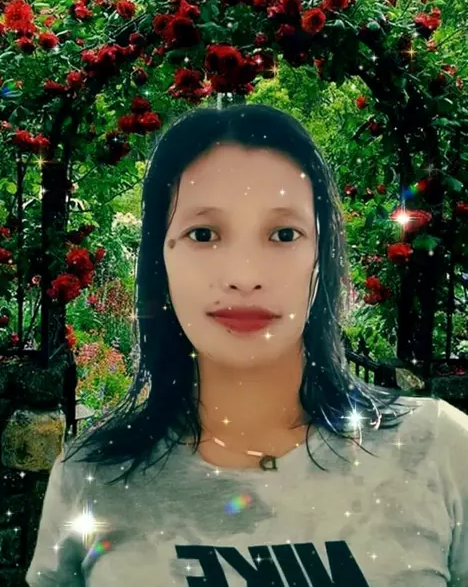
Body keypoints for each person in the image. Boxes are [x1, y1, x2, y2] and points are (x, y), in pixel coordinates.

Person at [26, 103, 468, 587]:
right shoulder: (91, 477)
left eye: (284, 234)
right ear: (161, 258)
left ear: (319, 256)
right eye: (203, 234)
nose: (244, 276)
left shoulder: (440, 450)